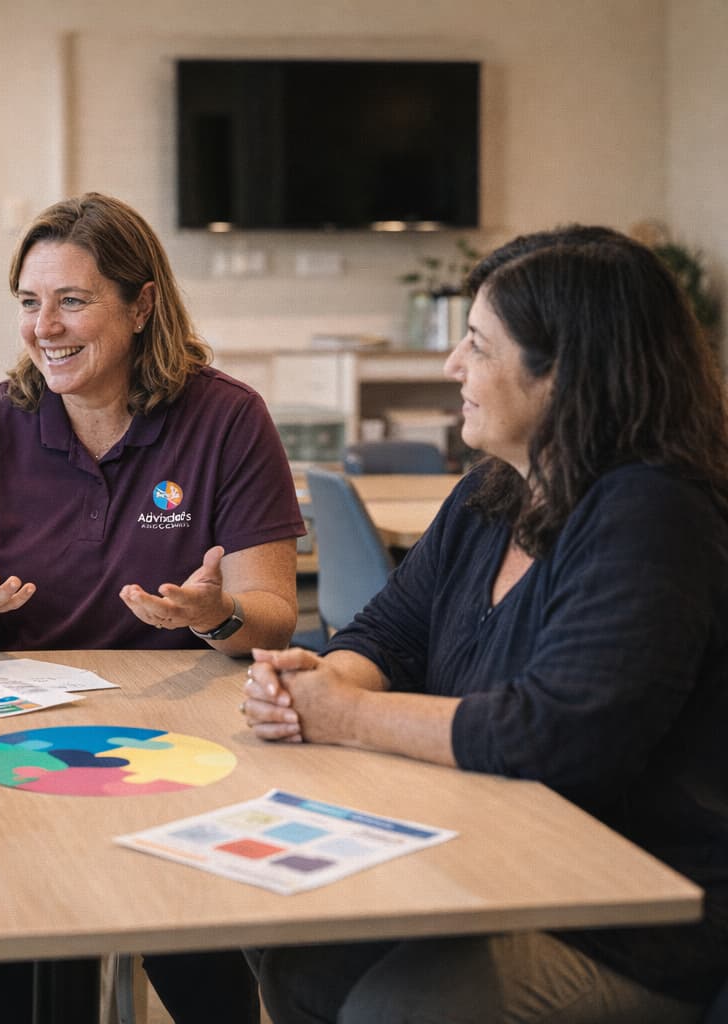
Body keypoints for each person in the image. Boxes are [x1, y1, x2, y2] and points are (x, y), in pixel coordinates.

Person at [240, 226, 728, 1022]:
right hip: (491, 860)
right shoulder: (491, 493)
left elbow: (559, 737)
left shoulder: (654, 514)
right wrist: (317, 681)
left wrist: (346, 713)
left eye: (478, 346)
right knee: (284, 935)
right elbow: (385, 637)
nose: (451, 368)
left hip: (630, 914)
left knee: (390, 1006)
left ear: (564, 373)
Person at [0, 193, 304, 1023]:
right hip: (13, 731)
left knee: (205, 981)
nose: (44, 326)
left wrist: (216, 613)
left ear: (142, 305)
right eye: (29, 302)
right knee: (22, 962)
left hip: (179, 734)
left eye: (73, 300)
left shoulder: (227, 417)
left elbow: (273, 611)